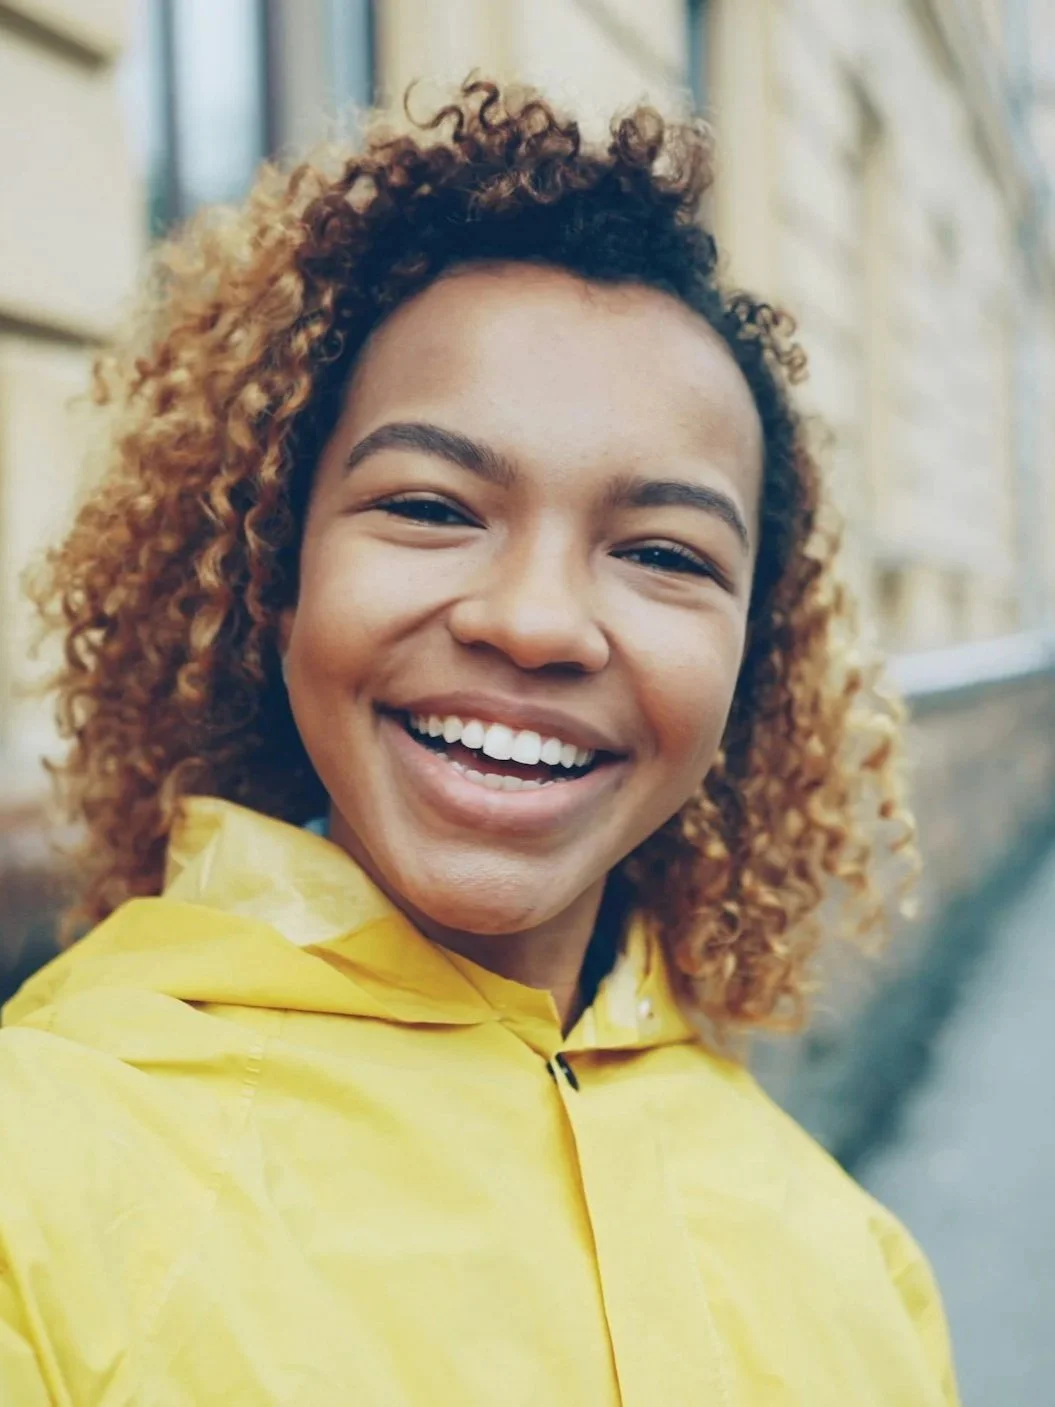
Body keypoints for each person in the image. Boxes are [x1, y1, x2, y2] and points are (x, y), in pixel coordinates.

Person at [0, 79, 959, 1405]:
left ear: (753, 661)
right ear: (273, 575)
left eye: (664, 552)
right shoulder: (37, 1179)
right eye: (433, 506)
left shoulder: (853, 1260)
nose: (534, 620)